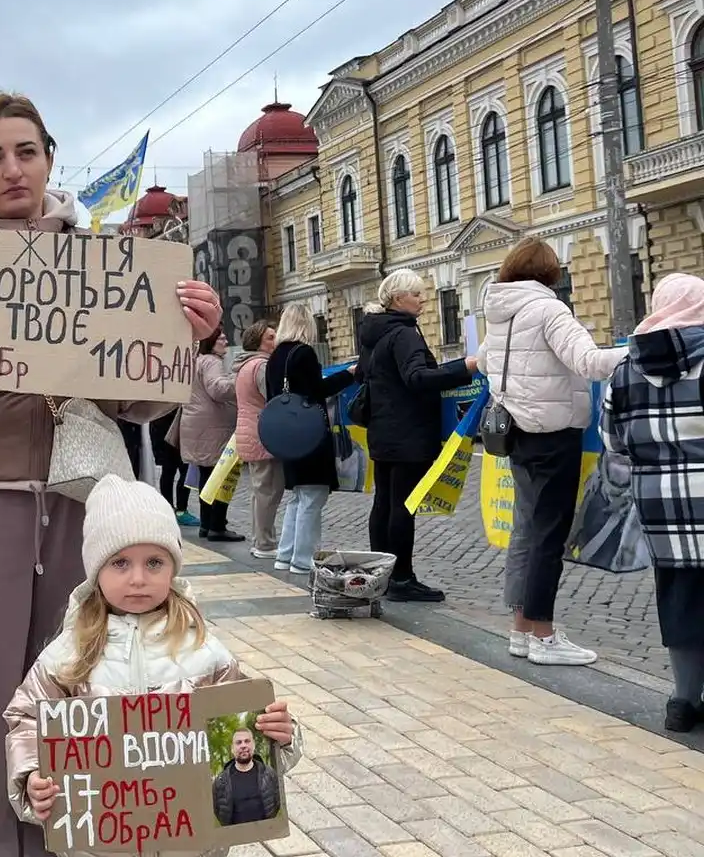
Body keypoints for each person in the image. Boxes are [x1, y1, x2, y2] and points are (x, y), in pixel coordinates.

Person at [0, 91, 225, 857]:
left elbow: (135, 402)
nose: (12, 169)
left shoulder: (103, 265)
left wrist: (187, 338)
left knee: (81, 701)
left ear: (50, 159)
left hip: (80, 511)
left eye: (25, 151)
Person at [2, 475, 300, 849]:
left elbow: (246, 731)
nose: (139, 578)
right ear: (96, 571)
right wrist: (32, 774)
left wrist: (278, 735)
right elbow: (26, 720)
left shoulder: (205, 650)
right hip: (100, 845)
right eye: (121, 563)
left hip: (192, 844)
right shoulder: (68, 653)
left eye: (155, 562)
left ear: (173, 568)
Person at [477, 236, 626, 666]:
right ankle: (544, 635)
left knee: (527, 531)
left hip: (515, 434)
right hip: (551, 434)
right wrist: (640, 351)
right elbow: (590, 363)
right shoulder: (549, 308)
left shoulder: (499, 310)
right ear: (548, 272)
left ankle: (521, 630)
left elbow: (486, 362)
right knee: (547, 537)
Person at [602, 273, 704, 731]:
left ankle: (682, 701)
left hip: (660, 505)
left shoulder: (627, 366)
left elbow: (612, 441)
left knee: (678, 598)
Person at [356, 271, 478, 603]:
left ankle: (381, 572)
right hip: (408, 431)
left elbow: (367, 376)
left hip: (382, 429)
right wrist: (464, 367)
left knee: (383, 503)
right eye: (417, 295)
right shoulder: (404, 333)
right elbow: (417, 377)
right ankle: (402, 578)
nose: (422, 300)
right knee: (402, 506)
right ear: (398, 300)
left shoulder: (373, 333)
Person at [265, 303, 356, 576]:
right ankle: (303, 559)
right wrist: (348, 375)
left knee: (299, 497)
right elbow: (317, 391)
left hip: (286, 435)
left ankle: (284, 554)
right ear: (306, 325)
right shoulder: (303, 353)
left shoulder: (275, 356)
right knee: (312, 497)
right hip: (310, 434)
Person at [180, 325, 246, 542]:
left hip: (198, 426)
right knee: (220, 477)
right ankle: (217, 525)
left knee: (207, 478)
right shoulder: (211, 362)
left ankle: (207, 524)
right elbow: (217, 389)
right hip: (213, 428)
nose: (225, 341)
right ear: (211, 341)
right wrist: (239, 382)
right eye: (222, 338)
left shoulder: (196, 360)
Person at [232, 320, 281, 560]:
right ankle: (265, 543)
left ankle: (259, 539)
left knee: (260, 490)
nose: (275, 341)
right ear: (258, 341)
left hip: (249, 431)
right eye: (270, 337)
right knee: (268, 491)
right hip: (262, 433)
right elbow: (271, 397)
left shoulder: (244, 365)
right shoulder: (261, 365)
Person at [213, 728, 282, 826]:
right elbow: (218, 810)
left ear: (253, 745)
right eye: (238, 742)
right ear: (232, 749)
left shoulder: (269, 774)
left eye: (247, 741)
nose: (243, 745)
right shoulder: (220, 782)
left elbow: (276, 802)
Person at [151, 408, 195, 526]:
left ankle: (170, 508)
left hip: (165, 423)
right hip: (172, 425)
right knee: (179, 469)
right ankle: (179, 510)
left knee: (172, 470)